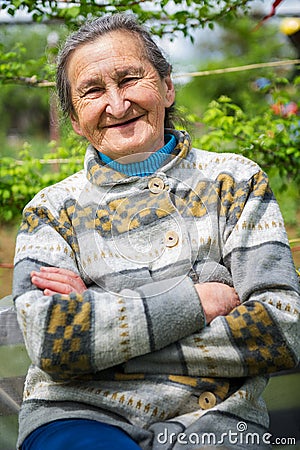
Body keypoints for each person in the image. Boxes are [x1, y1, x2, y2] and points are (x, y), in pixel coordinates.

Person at [13, 13, 299, 450]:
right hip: (78, 416)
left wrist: (102, 320)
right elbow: (54, 343)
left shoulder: (235, 181)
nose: (116, 103)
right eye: (92, 91)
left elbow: (282, 329)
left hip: (217, 422)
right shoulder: (50, 210)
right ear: (74, 120)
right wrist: (196, 300)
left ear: (167, 87)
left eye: (129, 79)